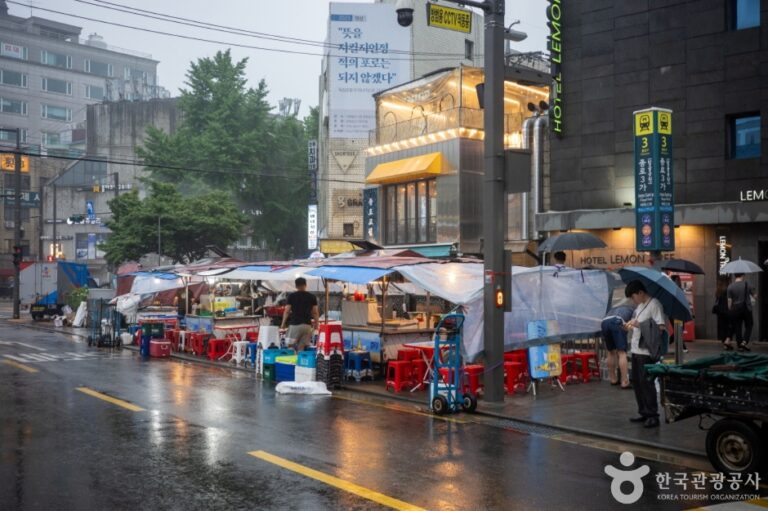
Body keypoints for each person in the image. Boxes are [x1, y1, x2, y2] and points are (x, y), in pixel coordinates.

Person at [624, 280, 668, 429]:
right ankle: (643, 411)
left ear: (641, 293)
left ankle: (652, 415)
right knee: (637, 382)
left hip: (646, 352)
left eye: (633, 296)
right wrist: (631, 324)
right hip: (636, 350)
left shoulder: (655, 305)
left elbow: (661, 327)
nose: (633, 299)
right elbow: (640, 326)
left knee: (647, 383)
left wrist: (639, 325)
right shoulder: (640, 306)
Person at [601, 302, 635, 388]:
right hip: (616, 321)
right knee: (621, 352)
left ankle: (613, 379)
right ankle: (624, 381)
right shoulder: (634, 309)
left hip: (604, 322)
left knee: (611, 351)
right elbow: (632, 325)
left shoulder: (616, 307)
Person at [280, 277, 319, 352]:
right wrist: (316, 325)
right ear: (305, 285)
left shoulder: (291, 296)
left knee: (290, 346)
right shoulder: (312, 297)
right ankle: (300, 362)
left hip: (295, 325)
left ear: (296, 286)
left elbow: (287, 311)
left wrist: (283, 324)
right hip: (307, 326)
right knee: (301, 348)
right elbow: (315, 312)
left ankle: (291, 362)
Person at [727, 273, 756, 352]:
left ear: (735, 276)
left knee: (737, 327)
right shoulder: (747, 284)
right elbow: (755, 296)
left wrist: (730, 309)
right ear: (743, 275)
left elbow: (729, 301)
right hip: (746, 308)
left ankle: (739, 345)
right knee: (749, 325)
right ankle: (744, 342)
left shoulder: (730, 286)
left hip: (735, 309)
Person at [668, 274, 689, 354]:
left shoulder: (678, 289)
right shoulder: (672, 289)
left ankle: (667, 344)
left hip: (677, 313)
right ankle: (683, 347)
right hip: (675, 313)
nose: (678, 281)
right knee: (678, 331)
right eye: (677, 280)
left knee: (679, 330)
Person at [714, 277, 732, 350]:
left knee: (722, 326)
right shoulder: (728, 290)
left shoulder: (718, 290)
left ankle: (724, 341)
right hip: (727, 310)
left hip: (719, 311)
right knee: (729, 326)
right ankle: (727, 341)